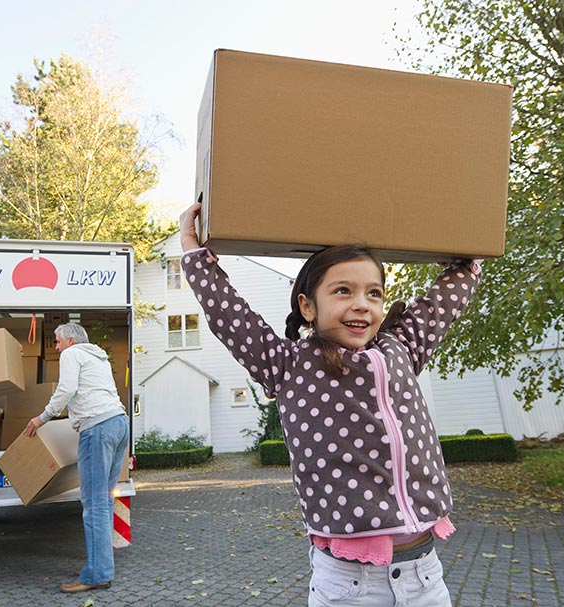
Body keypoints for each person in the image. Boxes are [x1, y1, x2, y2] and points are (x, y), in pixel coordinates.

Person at [179, 202, 482, 607]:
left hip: (425, 576)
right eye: (343, 291)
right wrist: (194, 254)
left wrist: (465, 257)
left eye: (374, 293)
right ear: (307, 306)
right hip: (349, 586)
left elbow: (442, 304)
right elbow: (229, 314)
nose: (362, 304)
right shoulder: (288, 364)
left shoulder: (401, 347)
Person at [23, 322, 129, 594]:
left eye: (57, 342)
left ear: (70, 340)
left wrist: (42, 417)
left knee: (93, 503)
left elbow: (66, 389)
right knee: (103, 500)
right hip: (119, 424)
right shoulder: (98, 356)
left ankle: (96, 574)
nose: (56, 347)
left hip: (98, 429)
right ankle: (99, 565)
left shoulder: (72, 354)